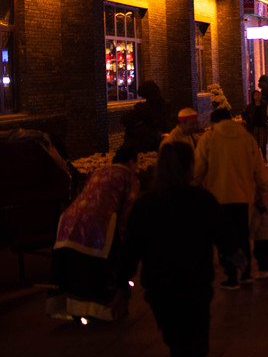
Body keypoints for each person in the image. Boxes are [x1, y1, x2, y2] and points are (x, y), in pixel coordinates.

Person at [117, 142, 244, 357]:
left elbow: (131, 248)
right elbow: (223, 233)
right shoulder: (201, 200)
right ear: (189, 167)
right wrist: (236, 255)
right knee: (195, 342)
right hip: (194, 283)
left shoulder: (146, 204)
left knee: (175, 338)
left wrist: (122, 284)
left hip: (159, 286)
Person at [47, 147, 140, 321]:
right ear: (130, 162)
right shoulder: (128, 177)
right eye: (136, 163)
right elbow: (129, 209)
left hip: (69, 220)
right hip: (98, 223)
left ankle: (74, 309)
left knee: (73, 268)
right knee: (98, 267)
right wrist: (123, 237)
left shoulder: (99, 171)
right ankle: (103, 309)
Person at [194, 108, 266, 289]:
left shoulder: (208, 139)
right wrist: (262, 189)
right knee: (242, 235)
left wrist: (194, 186)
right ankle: (246, 273)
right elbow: (258, 167)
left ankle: (231, 276)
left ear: (214, 123)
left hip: (218, 196)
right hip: (242, 195)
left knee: (224, 237)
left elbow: (199, 167)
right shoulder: (247, 138)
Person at [121, 80, 167, 152]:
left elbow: (126, 119)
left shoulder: (145, 108)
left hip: (144, 140)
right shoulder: (160, 105)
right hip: (152, 138)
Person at [242, 90, 268, 161]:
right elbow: (244, 115)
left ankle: (264, 157)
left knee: (263, 143)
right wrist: (248, 119)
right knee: (255, 143)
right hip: (253, 126)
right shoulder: (250, 106)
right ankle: (256, 158)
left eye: (259, 94)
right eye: (256, 95)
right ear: (253, 96)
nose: (257, 96)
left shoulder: (264, 105)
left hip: (262, 126)